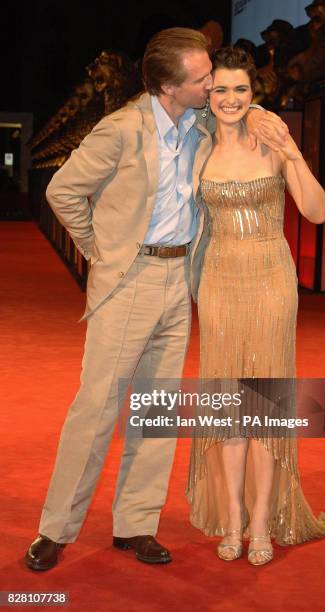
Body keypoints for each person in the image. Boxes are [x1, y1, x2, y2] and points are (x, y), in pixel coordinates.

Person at [25, 28, 289, 571]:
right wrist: (101, 250)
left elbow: (239, 110)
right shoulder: (121, 129)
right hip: (129, 282)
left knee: (156, 411)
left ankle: (136, 525)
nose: (211, 85)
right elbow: (63, 190)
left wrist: (261, 115)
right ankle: (55, 529)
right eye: (201, 79)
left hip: (180, 284)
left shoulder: (197, 124)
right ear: (169, 85)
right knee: (96, 409)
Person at [186, 46, 325, 566]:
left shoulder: (274, 141)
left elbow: (318, 211)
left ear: (253, 93)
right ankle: (232, 519)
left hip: (270, 282)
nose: (231, 99)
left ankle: (260, 522)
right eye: (221, 90)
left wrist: (292, 150)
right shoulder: (198, 148)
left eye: (241, 90)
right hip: (218, 282)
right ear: (207, 96)